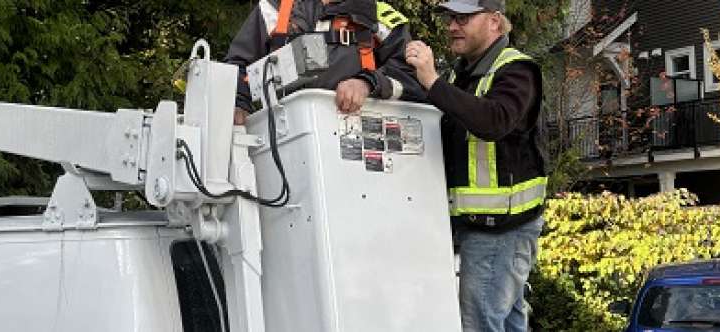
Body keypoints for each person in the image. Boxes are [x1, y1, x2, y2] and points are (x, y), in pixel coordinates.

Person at [404, 0, 547, 331]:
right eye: (451, 18)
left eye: (464, 18)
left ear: (495, 22)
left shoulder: (517, 70)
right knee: (506, 322)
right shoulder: (461, 75)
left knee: (481, 324)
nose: (453, 25)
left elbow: (494, 121)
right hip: (484, 228)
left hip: (502, 228)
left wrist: (432, 81)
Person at [224, 0, 424, 124]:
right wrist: (238, 103)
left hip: (359, 143)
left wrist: (367, 83)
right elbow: (238, 65)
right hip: (284, 137)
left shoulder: (379, 16)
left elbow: (412, 77)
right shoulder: (273, 8)